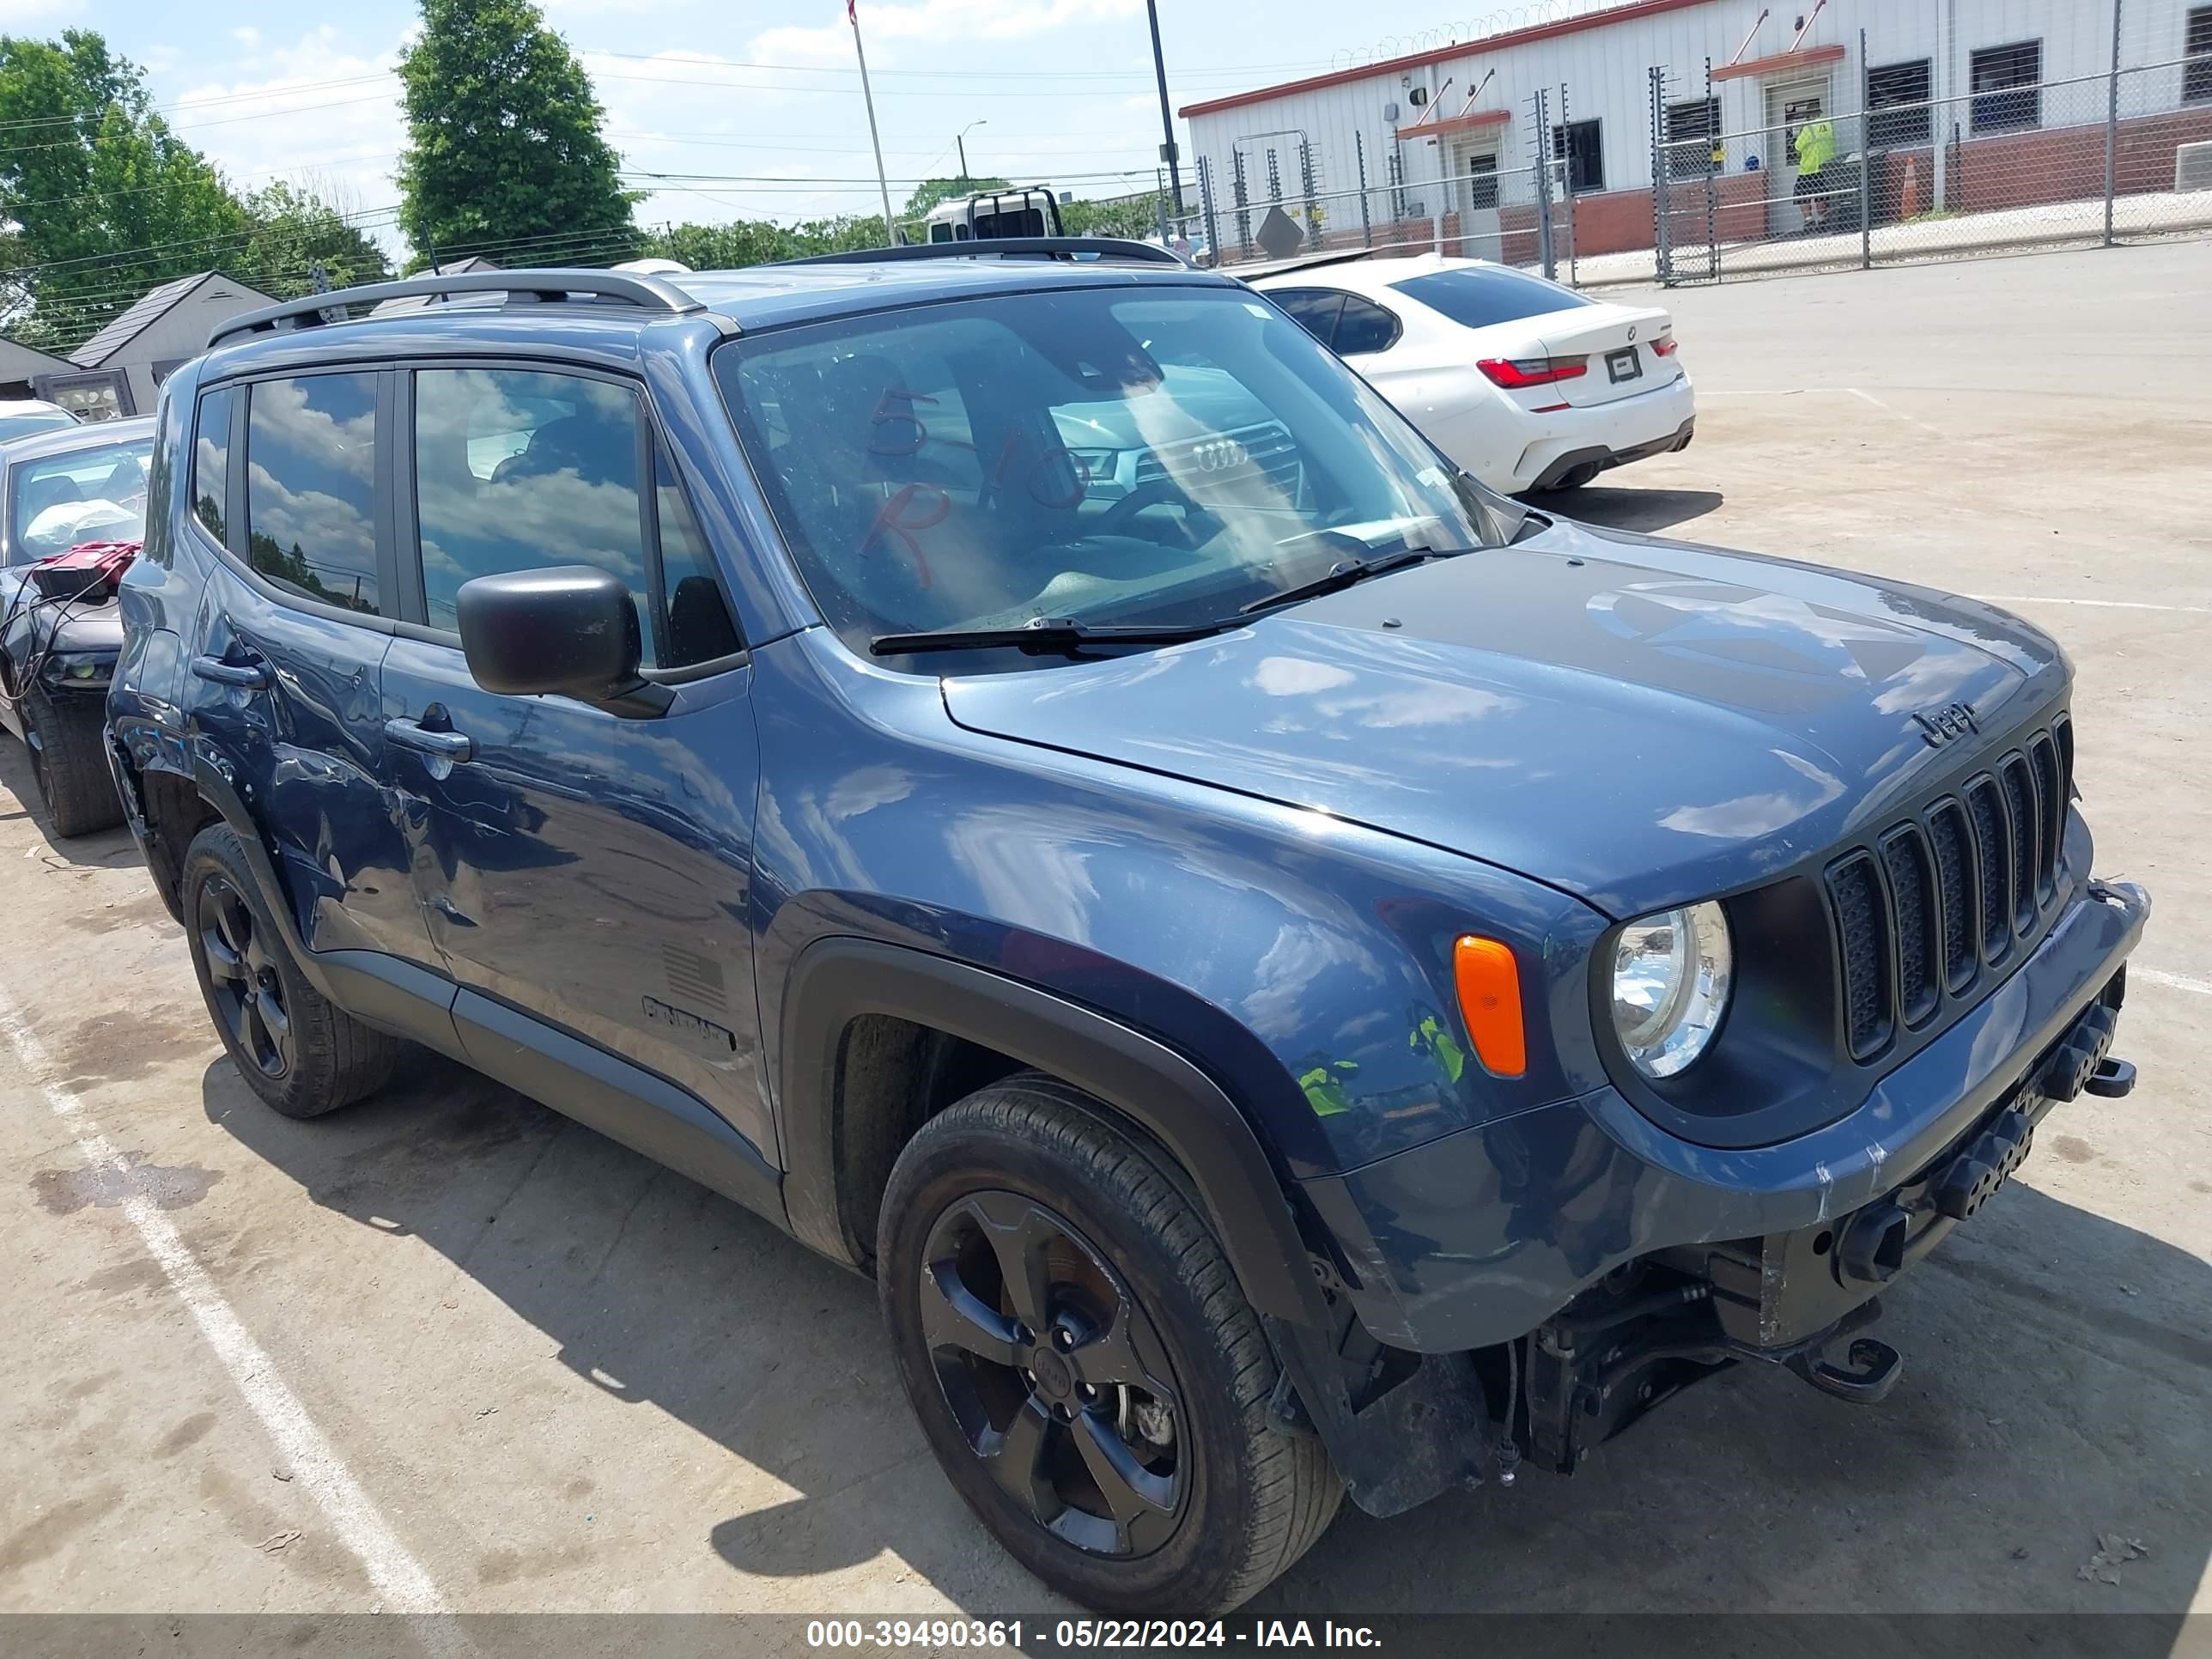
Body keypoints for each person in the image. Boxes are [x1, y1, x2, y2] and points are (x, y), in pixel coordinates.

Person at [1792, 114, 1837, 232]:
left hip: (1809, 168)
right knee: (1821, 195)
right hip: (1826, 166)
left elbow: (1797, 147)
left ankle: (1809, 220)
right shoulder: (1829, 125)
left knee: (1802, 195)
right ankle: (1822, 220)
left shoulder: (1808, 128)